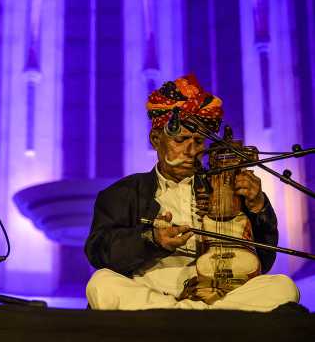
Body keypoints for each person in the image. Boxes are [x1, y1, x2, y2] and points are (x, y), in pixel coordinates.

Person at [84, 74, 300, 311]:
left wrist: (259, 206)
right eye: (181, 139)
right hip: (153, 289)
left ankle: (189, 314)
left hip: (219, 292)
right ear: (156, 139)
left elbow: (264, 262)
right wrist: (153, 240)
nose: (191, 150)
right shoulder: (123, 193)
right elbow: (100, 253)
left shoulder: (227, 187)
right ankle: (194, 315)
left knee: (283, 286)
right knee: (101, 282)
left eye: (198, 141)